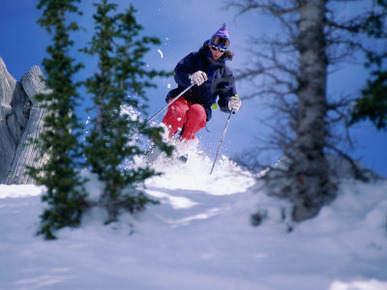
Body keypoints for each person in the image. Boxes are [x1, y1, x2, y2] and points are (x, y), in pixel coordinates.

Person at [161, 23, 242, 144]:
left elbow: (225, 97)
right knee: (180, 112)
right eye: (214, 48)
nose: (217, 52)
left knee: (197, 113)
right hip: (183, 96)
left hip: (203, 105)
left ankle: (183, 145)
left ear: (225, 51)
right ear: (209, 45)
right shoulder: (195, 57)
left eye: (221, 50)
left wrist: (230, 103)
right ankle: (162, 138)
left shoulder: (225, 73)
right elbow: (178, 73)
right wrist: (190, 78)